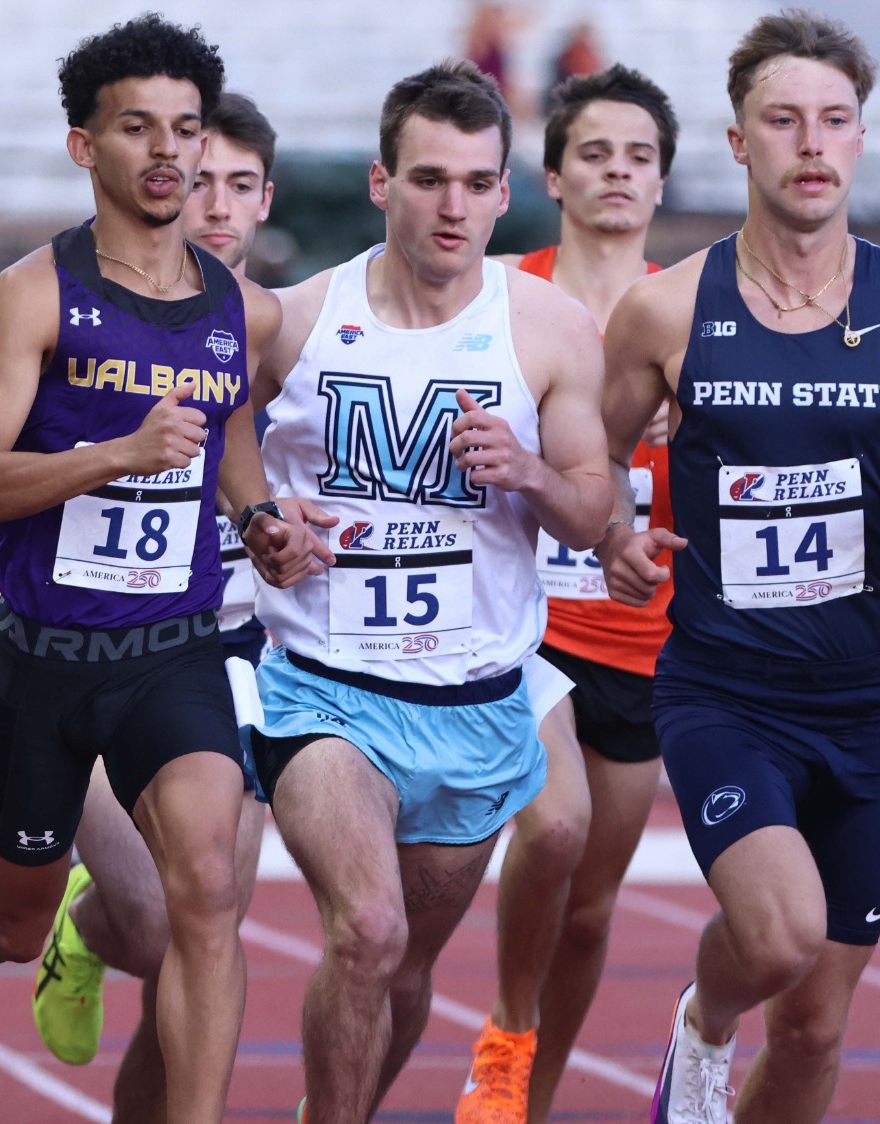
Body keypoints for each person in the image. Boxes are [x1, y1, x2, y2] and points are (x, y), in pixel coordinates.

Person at [0, 16, 320, 1120]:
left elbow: (227, 445)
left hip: (171, 650)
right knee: (18, 915)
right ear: (87, 146)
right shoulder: (32, 293)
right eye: (139, 128)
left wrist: (262, 518)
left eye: (184, 127)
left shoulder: (232, 306)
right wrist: (113, 455)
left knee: (209, 893)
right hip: (45, 661)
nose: (169, 151)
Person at [592, 12, 880, 1122]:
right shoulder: (667, 307)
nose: (810, 142)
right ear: (737, 143)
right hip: (725, 689)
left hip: (863, 699)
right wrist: (607, 538)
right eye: (782, 120)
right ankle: (702, 1018)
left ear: (861, 140)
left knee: (818, 1026)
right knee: (771, 937)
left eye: (833, 121)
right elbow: (580, 453)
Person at [249, 60, 612, 1124]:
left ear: (506, 192)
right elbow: (224, 425)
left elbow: (592, 513)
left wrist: (533, 473)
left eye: (473, 182)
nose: (450, 205)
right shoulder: (302, 317)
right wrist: (258, 519)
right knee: (364, 930)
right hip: (325, 688)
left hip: (475, 704)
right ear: (380, 182)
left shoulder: (546, 327)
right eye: (426, 179)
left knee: (402, 971)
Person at [460, 64, 679, 1124]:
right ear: (551, 174)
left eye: (638, 156)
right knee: (552, 825)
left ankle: (529, 1097)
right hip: (518, 623)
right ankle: (503, 1031)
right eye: (595, 153)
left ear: (662, 181)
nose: (617, 173)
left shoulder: (693, 319)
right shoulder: (500, 292)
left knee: (588, 909)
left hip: (638, 635)